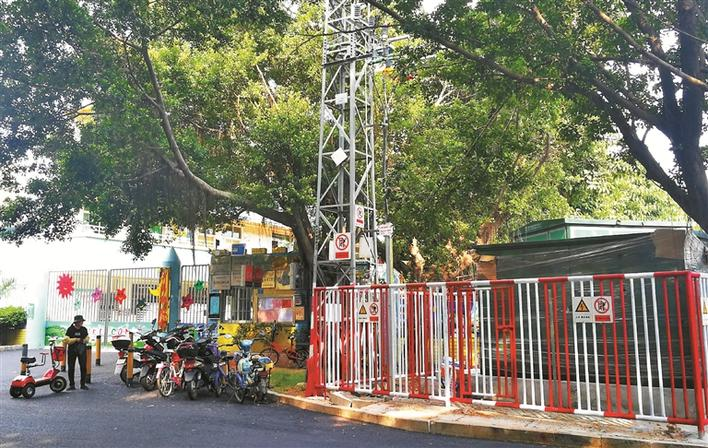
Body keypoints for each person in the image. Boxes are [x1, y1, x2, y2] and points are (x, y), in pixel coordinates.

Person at [64, 315, 90, 390]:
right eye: (81, 321)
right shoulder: (70, 329)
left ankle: (83, 384)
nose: (82, 323)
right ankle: (72, 385)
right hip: (72, 350)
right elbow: (66, 340)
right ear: (77, 322)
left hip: (82, 350)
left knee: (83, 367)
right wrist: (76, 339)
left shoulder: (84, 329)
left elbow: (87, 339)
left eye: (82, 321)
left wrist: (84, 340)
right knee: (71, 367)